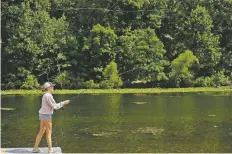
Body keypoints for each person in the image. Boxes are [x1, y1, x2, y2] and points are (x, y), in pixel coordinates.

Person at [32, 82, 70, 153]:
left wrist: (54, 108)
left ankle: (35, 149)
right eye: (52, 86)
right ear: (48, 88)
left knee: (41, 132)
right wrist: (64, 102)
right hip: (46, 116)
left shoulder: (45, 95)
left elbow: (50, 106)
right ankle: (50, 150)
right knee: (49, 132)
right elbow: (55, 106)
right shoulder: (48, 95)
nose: (53, 87)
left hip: (42, 115)